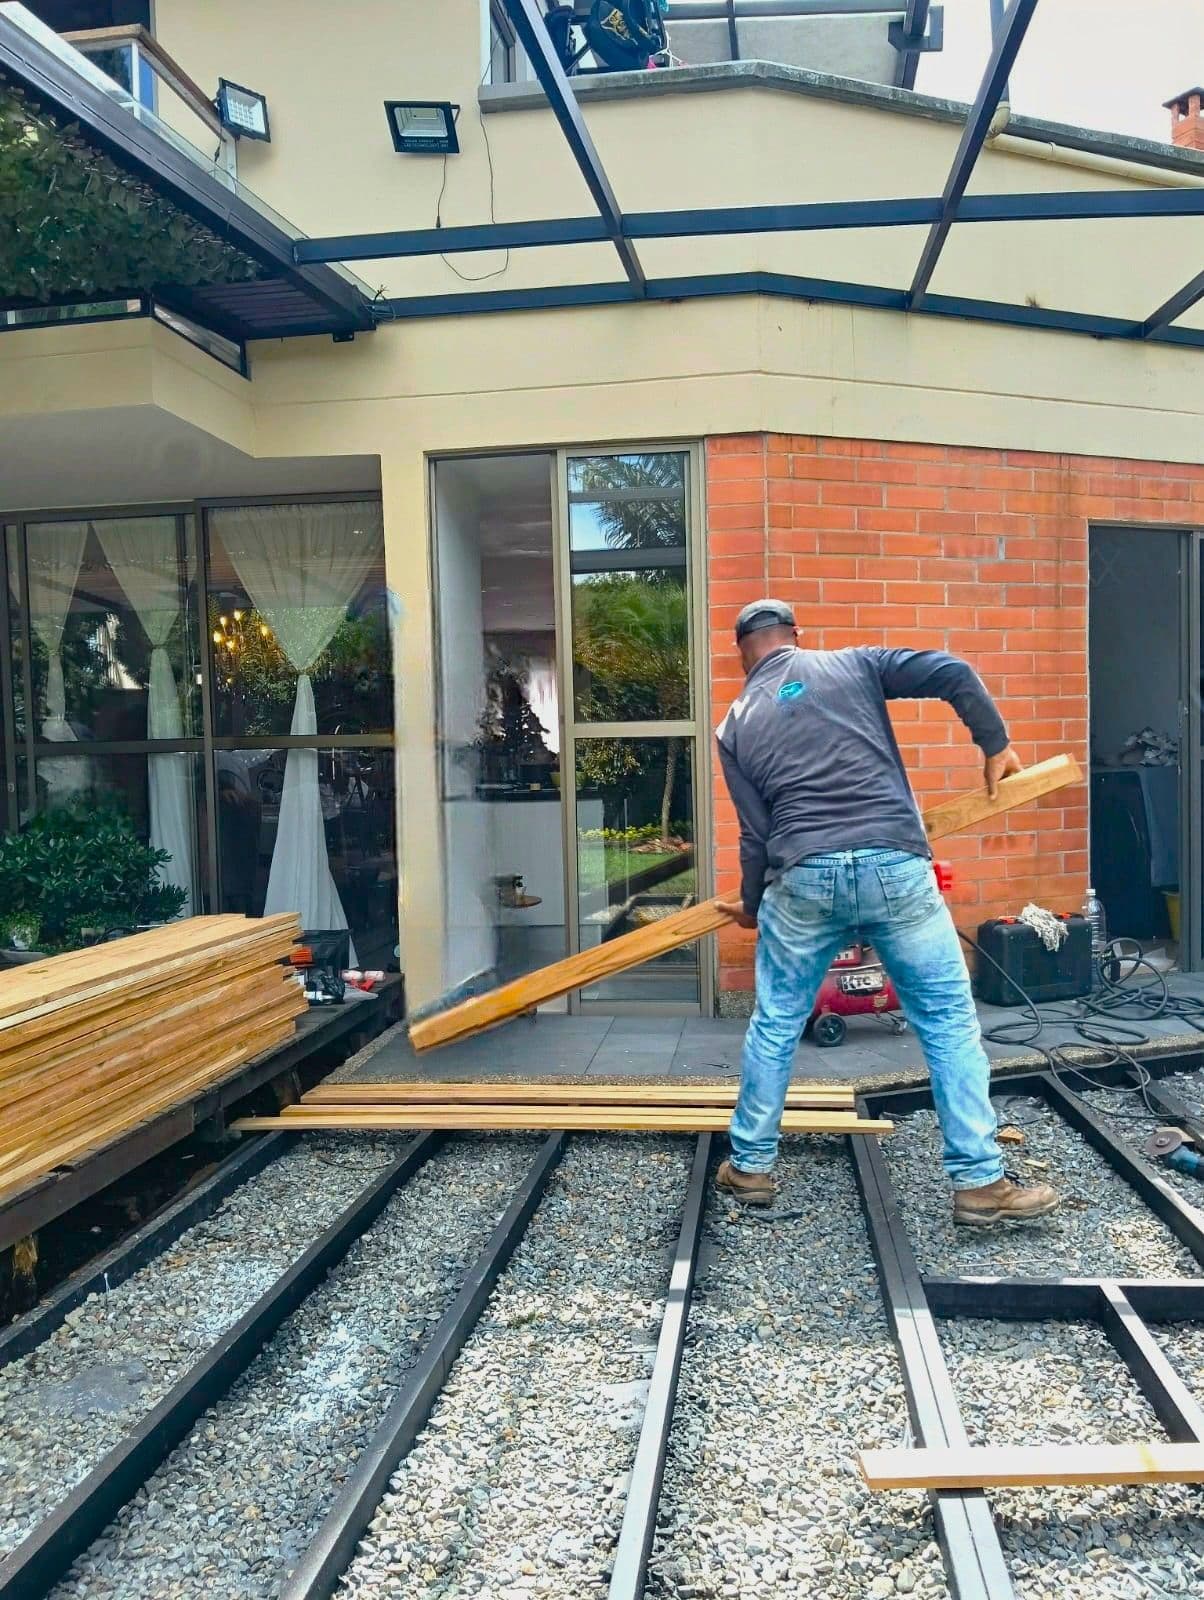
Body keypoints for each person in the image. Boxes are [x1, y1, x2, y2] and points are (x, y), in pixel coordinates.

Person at [713, 598, 1062, 1227]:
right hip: (894, 866)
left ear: (742, 652)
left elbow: (754, 835)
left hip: (803, 876)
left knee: (775, 1021)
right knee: (949, 1021)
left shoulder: (735, 722)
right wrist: (995, 743)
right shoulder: (854, 664)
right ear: (796, 635)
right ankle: (980, 1182)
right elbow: (952, 671)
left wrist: (751, 902)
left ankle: (752, 1166)